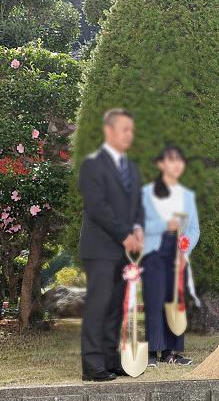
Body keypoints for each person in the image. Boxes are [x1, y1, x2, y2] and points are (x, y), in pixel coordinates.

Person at [78, 108, 144, 381]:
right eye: (123, 129)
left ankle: (111, 359)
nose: (129, 135)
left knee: (118, 305)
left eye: (131, 130)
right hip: (100, 248)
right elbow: (98, 207)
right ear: (109, 131)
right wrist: (124, 234)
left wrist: (138, 230)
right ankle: (92, 365)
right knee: (99, 305)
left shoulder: (131, 167)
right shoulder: (93, 164)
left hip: (124, 252)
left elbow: (138, 205)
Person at [141, 144, 200, 367]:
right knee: (154, 301)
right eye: (170, 160)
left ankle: (171, 352)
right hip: (153, 252)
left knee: (175, 301)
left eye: (179, 161)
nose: (175, 165)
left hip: (178, 253)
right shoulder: (146, 193)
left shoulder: (187, 195)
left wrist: (186, 250)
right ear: (160, 164)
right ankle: (150, 353)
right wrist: (165, 224)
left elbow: (194, 228)